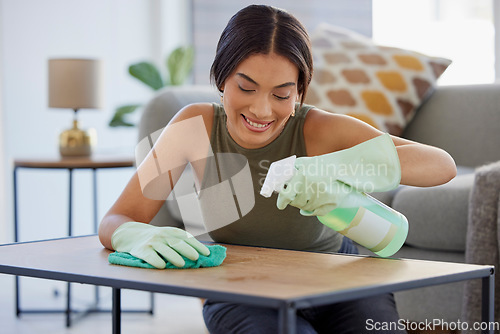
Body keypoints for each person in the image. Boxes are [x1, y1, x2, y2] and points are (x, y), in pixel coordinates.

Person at [99, 4, 457, 333]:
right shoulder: (195, 126)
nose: (262, 110)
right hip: (241, 292)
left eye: (281, 95)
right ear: (221, 78)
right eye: (246, 87)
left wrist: (328, 167)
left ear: (299, 92)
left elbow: (441, 166)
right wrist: (134, 234)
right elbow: (117, 218)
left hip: (338, 278)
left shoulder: (317, 129)